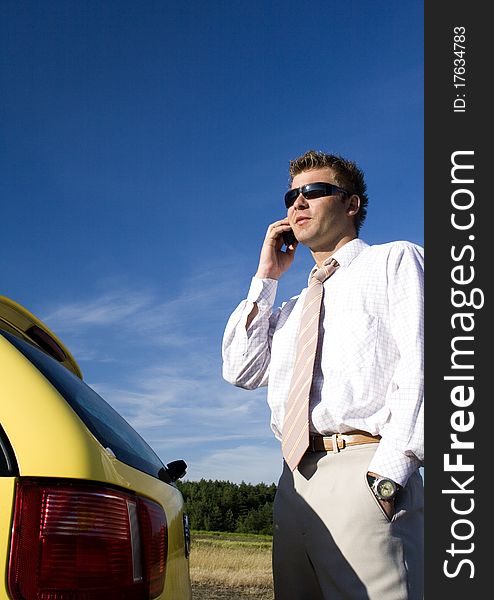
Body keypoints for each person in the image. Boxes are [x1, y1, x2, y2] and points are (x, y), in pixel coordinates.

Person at [222, 149, 424, 600]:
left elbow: (424, 363)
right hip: (293, 480)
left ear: (351, 204)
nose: (298, 203)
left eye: (314, 191)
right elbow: (240, 370)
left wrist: (390, 474)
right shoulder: (291, 308)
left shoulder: (395, 261)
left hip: (364, 469)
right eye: (292, 195)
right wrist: (266, 278)